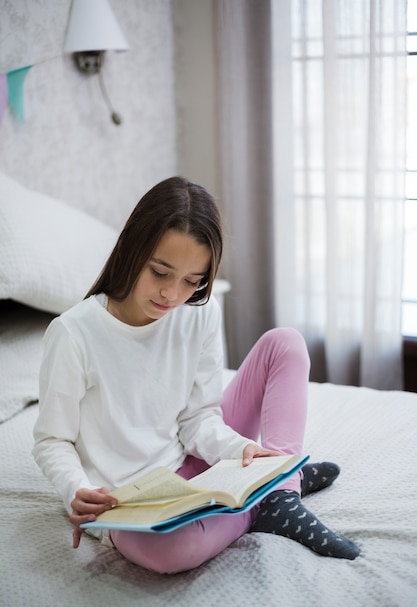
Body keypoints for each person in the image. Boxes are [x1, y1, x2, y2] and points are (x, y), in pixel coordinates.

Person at [33, 176, 360, 574]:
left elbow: (198, 418)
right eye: (160, 272)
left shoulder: (199, 311)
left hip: (193, 460)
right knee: (171, 554)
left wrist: (241, 450)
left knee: (285, 344)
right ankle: (270, 491)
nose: (172, 295)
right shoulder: (73, 334)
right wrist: (76, 491)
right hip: (131, 500)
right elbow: (52, 439)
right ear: (130, 249)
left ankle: (278, 490)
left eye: (191, 281)